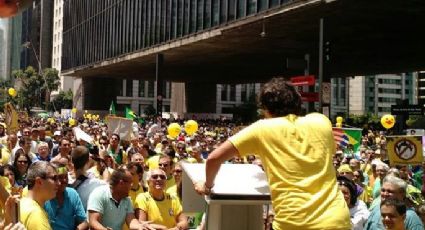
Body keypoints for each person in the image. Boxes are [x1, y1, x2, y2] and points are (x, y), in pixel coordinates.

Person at [194, 77, 351, 230]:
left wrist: (207, 186)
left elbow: (213, 159)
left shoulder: (262, 128)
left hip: (294, 222)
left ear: (266, 109)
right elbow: (330, 149)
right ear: (297, 103)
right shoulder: (320, 121)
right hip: (337, 219)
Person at [87, 166, 150, 230]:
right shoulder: (99, 194)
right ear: (121, 183)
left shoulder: (127, 200)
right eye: (130, 182)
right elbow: (93, 222)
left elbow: (131, 220)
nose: (131, 185)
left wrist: (140, 226)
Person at [44, 165, 88, 230]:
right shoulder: (45, 196)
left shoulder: (72, 194)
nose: (64, 180)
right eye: (60, 177)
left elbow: (84, 222)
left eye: (66, 177)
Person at [20, 161, 59, 229]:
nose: (58, 183)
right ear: (39, 182)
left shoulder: (22, 203)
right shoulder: (36, 214)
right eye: (54, 178)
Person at [70, 146, 106, 210]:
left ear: (71, 159)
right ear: (88, 160)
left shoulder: (65, 179)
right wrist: (102, 158)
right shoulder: (94, 182)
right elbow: (107, 183)